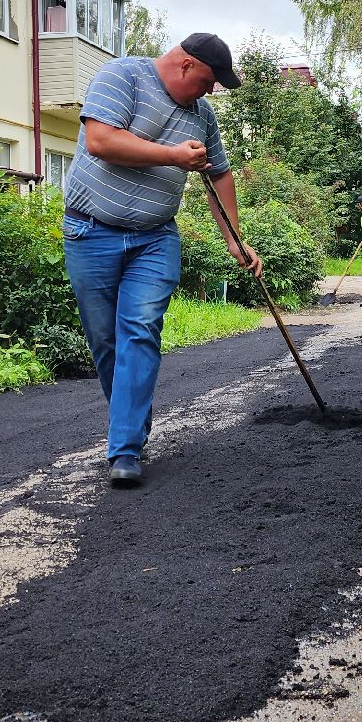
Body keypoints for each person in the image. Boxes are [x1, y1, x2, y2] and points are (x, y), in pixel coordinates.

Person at [62, 33, 262, 488]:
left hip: (155, 239)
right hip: (90, 232)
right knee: (107, 343)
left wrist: (235, 239)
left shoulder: (202, 116)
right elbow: (100, 141)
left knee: (140, 329)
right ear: (187, 65)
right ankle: (132, 422)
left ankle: (126, 449)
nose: (211, 92)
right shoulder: (122, 77)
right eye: (209, 81)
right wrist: (173, 156)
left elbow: (221, 173)